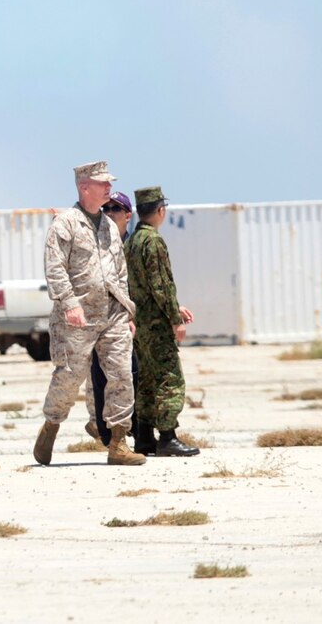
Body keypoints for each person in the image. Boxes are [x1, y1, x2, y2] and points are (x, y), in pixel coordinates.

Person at [33, 161, 145, 467]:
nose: (109, 187)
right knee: (70, 377)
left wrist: (126, 308)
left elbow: (118, 269)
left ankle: (119, 442)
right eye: (102, 183)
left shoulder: (109, 225)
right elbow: (55, 268)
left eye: (109, 183)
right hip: (78, 316)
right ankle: (51, 425)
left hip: (113, 313)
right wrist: (69, 304)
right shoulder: (65, 224)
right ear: (85, 187)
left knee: (122, 375)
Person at [124, 187, 199, 457]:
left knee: (146, 379)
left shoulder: (131, 241)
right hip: (156, 324)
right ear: (160, 211)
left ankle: (144, 436)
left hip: (140, 323)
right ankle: (167, 436)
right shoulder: (153, 241)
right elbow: (161, 285)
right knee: (170, 379)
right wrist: (174, 318)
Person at [90, 192, 141, 446]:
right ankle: (108, 433)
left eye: (116, 209)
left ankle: (134, 431)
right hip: (105, 323)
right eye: (106, 208)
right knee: (101, 377)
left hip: (135, 323)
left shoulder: (134, 247)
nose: (109, 212)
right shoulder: (96, 246)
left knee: (132, 375)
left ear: (128, 216)